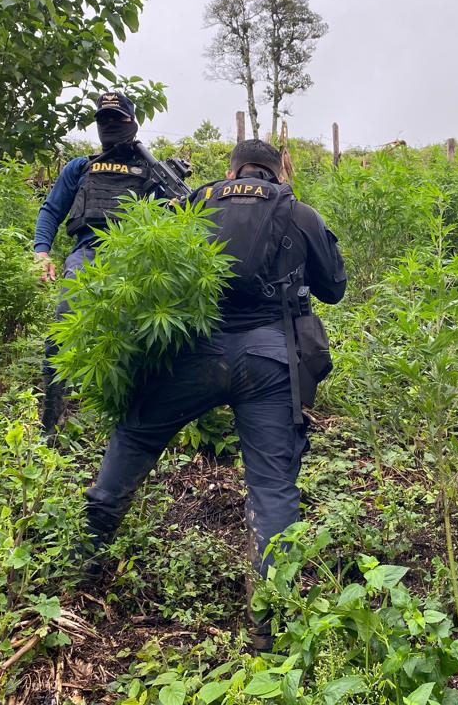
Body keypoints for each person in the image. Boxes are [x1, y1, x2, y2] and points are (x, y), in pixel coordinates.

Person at [80, 139, 346, 650]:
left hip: (193, 357)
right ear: (279, 168)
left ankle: (84, 559)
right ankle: (270, 625)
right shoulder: (299, 211)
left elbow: (137, 274)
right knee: (272, 489)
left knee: (135, 437)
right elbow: (334, 287)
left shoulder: (192, 202)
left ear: (231, 169)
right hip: (271, 361)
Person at [34, 91, 163, 436]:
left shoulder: (152, 170)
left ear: (132, 123)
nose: (108, 126)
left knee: (137, 336)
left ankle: (133, 417)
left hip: (133, 257)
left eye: (116, 120)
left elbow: (176, 217)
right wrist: (41, 251)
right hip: (87, 254)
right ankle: (51, 421)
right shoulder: (81, 166)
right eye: (103, 120)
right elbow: (51, 210)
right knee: (63, 330)